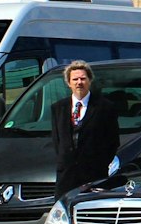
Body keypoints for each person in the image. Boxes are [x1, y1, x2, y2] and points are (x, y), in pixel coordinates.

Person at [52, 60, 123, 195]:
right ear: (68, 83)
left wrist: (99, 164)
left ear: (90, 81)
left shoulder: (105, 107)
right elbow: (57, 141)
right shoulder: (58, 108)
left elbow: (113, 141)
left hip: (94, 175)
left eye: (83, 78)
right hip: (66, 177)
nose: (79, 82)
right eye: (75, 79)